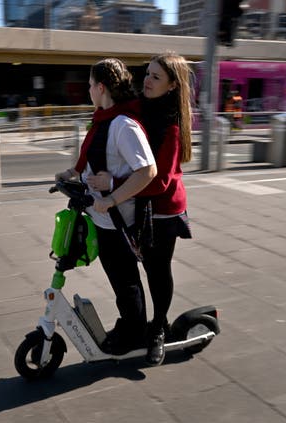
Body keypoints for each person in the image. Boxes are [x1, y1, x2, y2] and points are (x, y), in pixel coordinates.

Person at [87, 52, 193, 366]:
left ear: (173, 85)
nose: (146, 80)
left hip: (162, 209)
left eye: (156, 77)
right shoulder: (138, 108)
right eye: (147, 73)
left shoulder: (170, 126)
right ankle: (135, 324)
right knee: (130, 270)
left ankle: (159, 327)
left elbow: (157, 180)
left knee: (157, 271)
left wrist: (112, 184)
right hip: (136, 204)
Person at [55, 58, 157, 355]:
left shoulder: (123, 125)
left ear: (101, 88)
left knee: (125, 281)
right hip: (102, 217)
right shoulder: (104, 119)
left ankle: (136, 332)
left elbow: (147, 171)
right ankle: (130, 324)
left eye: (89, 85)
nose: (88, 90)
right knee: (118, 278)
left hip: (119, 219)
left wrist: (111, 198)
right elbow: (97, 159)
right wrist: (72, 174)